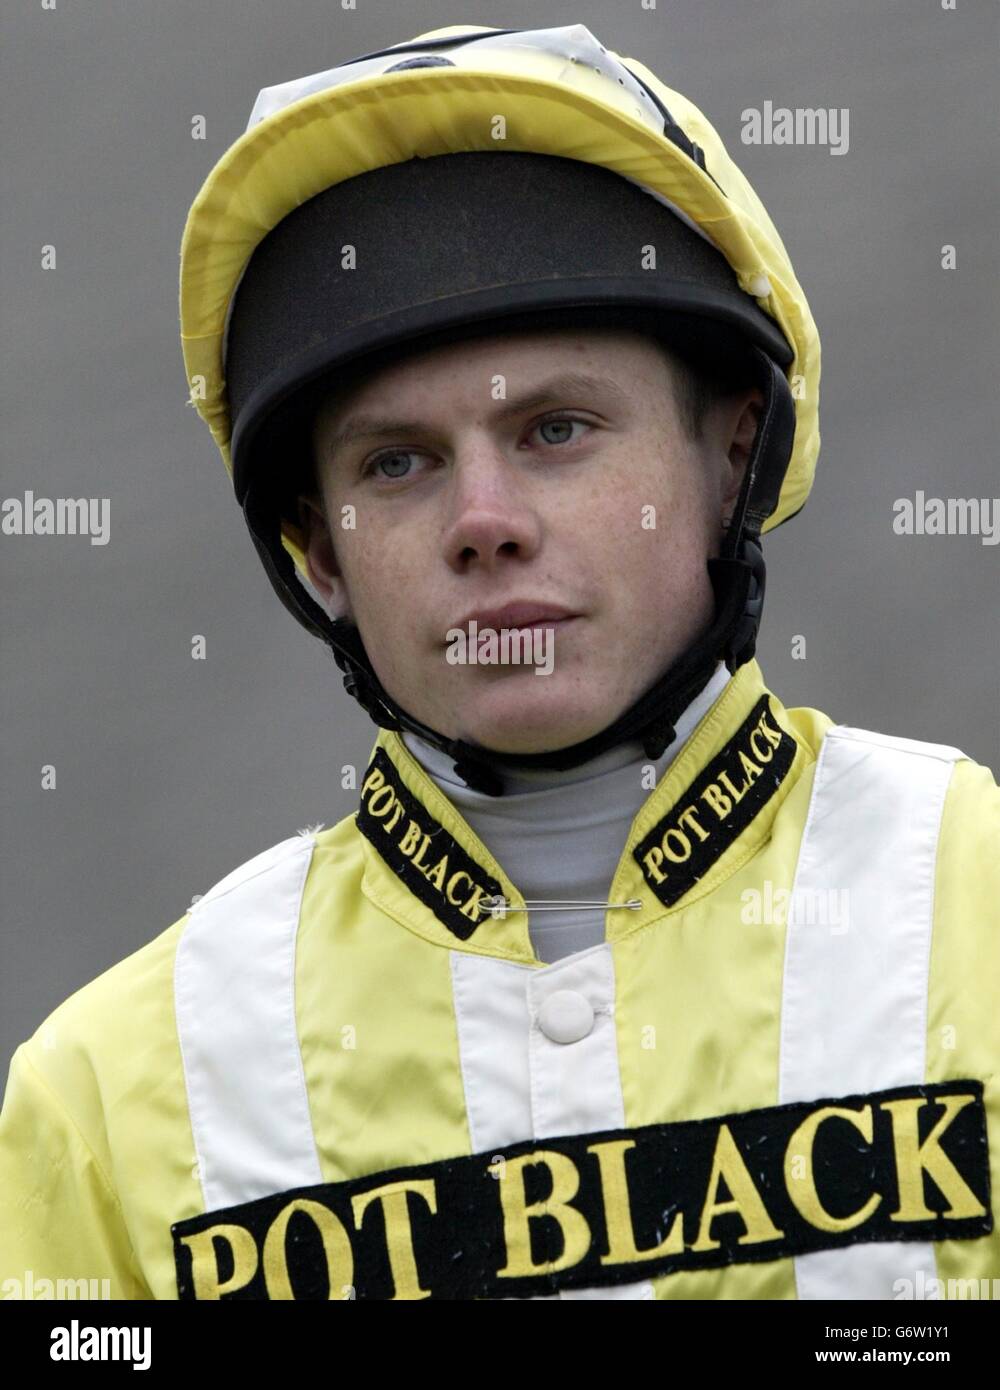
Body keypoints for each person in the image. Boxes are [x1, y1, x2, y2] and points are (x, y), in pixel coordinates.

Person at [1, 22, 996, 1303]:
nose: (485, 520)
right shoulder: (102, 1099)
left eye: (557, 429)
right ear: (317, 548)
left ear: (730, 456)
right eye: (395, 462)